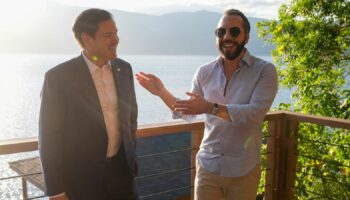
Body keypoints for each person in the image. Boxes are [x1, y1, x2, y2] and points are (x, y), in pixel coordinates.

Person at [136, 8, 277, 200]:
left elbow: (255, 114)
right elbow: (188, 111)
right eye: (221, 32)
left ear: (247, 37)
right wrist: (161, 92)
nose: (227, 36)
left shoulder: (264, 71)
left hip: (243, 170)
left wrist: (211, 108)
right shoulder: (204, 72)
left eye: (234, 31)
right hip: (208, 167)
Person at [39, 8, 138, 200]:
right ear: (87, 38)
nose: (116, 39)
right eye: (108, 35)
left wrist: (130, 158)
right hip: (81, 183)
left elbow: (130, 119)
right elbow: (49, 138)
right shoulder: (58, 77)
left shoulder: (123, 69)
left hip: (123, 179)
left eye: (116, 33)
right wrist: (56, 192)